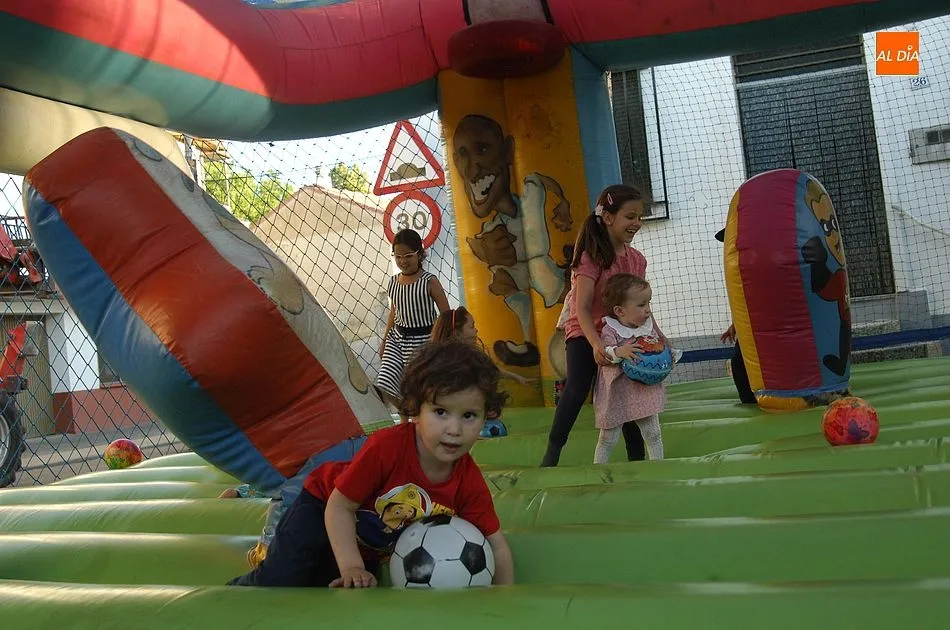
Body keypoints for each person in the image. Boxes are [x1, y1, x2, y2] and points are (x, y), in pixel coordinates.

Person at [227, 339, 515, 588]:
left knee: (330, 586)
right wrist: (352, 566)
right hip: (319, 508)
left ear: (486, 417)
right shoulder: (387, 448)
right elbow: (340, 506)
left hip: (368, 542)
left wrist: (505, 599)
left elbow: (496, 543)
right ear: (416, 410)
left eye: (468, 416)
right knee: (282, 579)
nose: (454, 429)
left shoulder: (467, 480)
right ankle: (233, 594)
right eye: (441, 412)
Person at [541, 184, 652, 467]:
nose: (637, 223)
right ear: (609, 217)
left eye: (639, 217)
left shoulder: (636, 260)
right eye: (630, 216)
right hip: (585, 330)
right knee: (578, 387)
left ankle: (637, 458)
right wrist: (596, 344)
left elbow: (639, 305)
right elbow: (581, 307)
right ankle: (552, 454)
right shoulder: (591, 257)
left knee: (627, 388)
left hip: (621, 332)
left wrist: (653, 337)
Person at [593, 274, 668, 463]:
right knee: (608, 437)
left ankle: (658, 468)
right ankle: (597, 470)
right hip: (617, 391)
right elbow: (604, 352)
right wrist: (619, 351)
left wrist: (669, 354)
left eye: (648, 303)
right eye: (641, 305)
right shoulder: (610, 329)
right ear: (620, 311)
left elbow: (659, 344)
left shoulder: (647, 327)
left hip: (642, 391)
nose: (648, 310)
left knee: (653, 433)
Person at [376, 228, 450, 408]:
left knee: (421, 388)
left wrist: (443, 343)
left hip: (424, 341)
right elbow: (394, 311)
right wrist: (385, 340)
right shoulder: (393, 281)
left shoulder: (429, 281)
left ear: (419, 254)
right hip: (397, 339)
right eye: (398, 257)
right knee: (385, 382)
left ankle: (418, 415)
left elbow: (446, 314)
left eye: (408, 256)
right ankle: (406, 413)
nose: (403, 261)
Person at [430, 306, 537, 387]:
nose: (476, 330)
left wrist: (516, 377)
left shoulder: (471, 357)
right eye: (472, 326)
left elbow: (491, 368)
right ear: (457, 333)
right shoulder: (448, 363)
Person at [715, 228, 756, 404]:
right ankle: (749, 400)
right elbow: (741, 299)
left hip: (761, 326)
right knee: (739, 364)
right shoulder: (736, 265)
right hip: (748, 326)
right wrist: (736, 324)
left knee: (740, 363)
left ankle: (751, 399)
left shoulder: (752, 260)